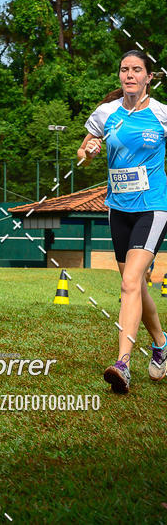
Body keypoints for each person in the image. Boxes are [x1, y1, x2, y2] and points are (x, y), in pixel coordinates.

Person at [77, 50, 167, 393]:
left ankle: (123, 363)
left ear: (148, 77)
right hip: (118, 209)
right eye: (124, 70)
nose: (129, 75)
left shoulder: (161, 114)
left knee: (130, 282)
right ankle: (160, 343)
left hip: (153, 207)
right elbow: (83, 152)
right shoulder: (106, 113)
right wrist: (90, 152)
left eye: (136, 70)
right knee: (137, 286)